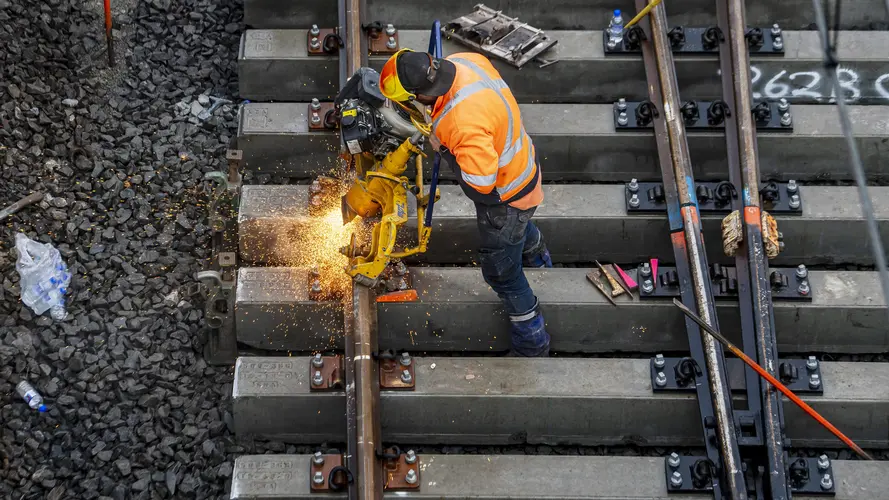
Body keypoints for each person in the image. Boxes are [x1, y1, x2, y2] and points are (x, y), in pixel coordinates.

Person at [378, 49, 553, 357]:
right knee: (521, 229)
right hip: (523, 166)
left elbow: (480, 187)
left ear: (421, 96)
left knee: (501, 272)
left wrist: (442, 148)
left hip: (505, 197)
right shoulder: (464, 60)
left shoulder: (460, 124)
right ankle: (541, 263)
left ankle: (532, 343)